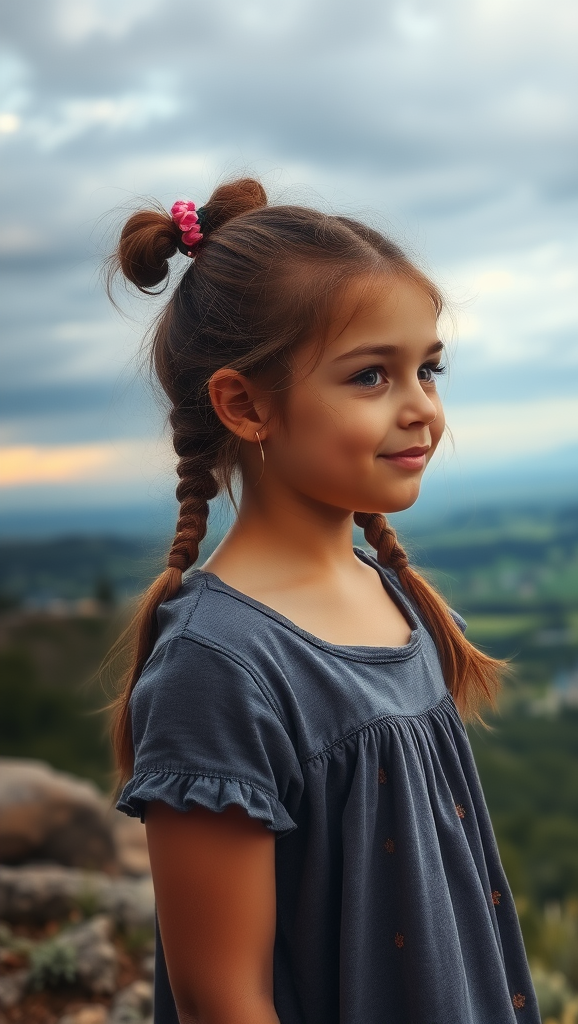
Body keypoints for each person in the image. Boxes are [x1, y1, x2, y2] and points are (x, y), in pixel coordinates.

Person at [108, 178, 540, 1024]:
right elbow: (223, 1002)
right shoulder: (217, 666)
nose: (423, 409)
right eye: (372, 375)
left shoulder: (387, 594)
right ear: (246, 405)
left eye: (429, 368)